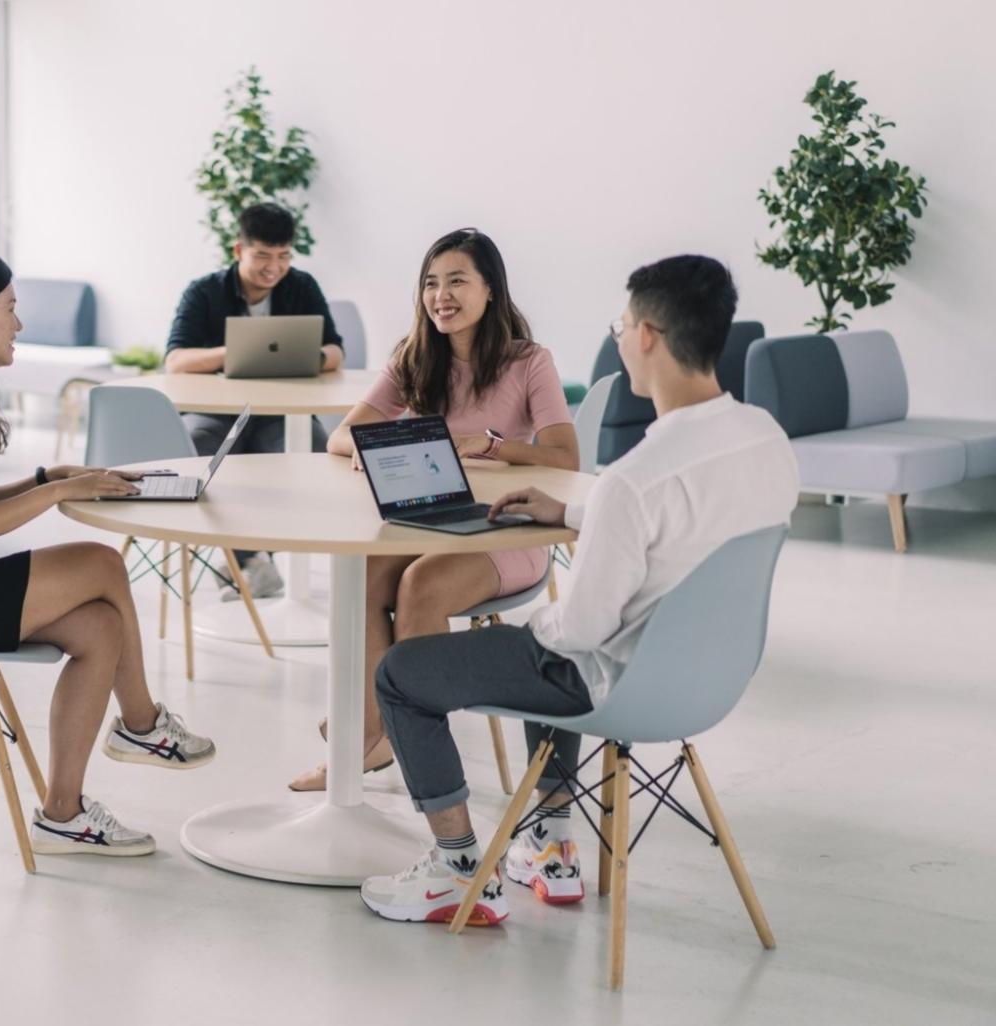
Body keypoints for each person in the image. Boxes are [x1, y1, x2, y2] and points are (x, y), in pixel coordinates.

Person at [359, 255, 799, 925]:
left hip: (615, 684)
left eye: (621, 324)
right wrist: (567, 513)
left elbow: (581, 634)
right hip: (709, 679)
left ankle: (456, 868)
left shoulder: (634, 479)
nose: (619, 337)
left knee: (407, 673)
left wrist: (532, 627)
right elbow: (688, 522)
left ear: (647, 335)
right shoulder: (766, 439)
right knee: (545, 642)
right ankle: (548, 840)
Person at [0, 250, 215, 858]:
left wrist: (49, 476)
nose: (19, 324)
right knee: (102, 563)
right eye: (10, 309)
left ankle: (63, 814)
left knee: (101, 627)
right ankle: (140, 724)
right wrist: (57, 493)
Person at [292, 228, 577, 792]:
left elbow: (565, 457)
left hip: (504, 531)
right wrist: (388, 449)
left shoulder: (529, 362)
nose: (440, 295)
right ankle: (376, 737)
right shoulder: (415, 355)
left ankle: (381, 745)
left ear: (490, 290)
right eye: (430, 283)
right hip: (431, 521)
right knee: (370, 574)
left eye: (456, 281)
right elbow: (342, 438)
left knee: (420, 585)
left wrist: (490, 446)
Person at [165, 201, 345, 599]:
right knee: (200, 451)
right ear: (238, 250)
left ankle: (256, 558)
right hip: (216, 414)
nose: (273, 268)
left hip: (280, 415)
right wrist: (233, 353)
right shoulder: (204, 292)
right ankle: (249, 560)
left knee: (314, 453)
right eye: (263, 255)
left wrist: (309, 357)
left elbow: (335, 350)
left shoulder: (302, 286)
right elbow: (175, 360)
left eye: (283, 257)